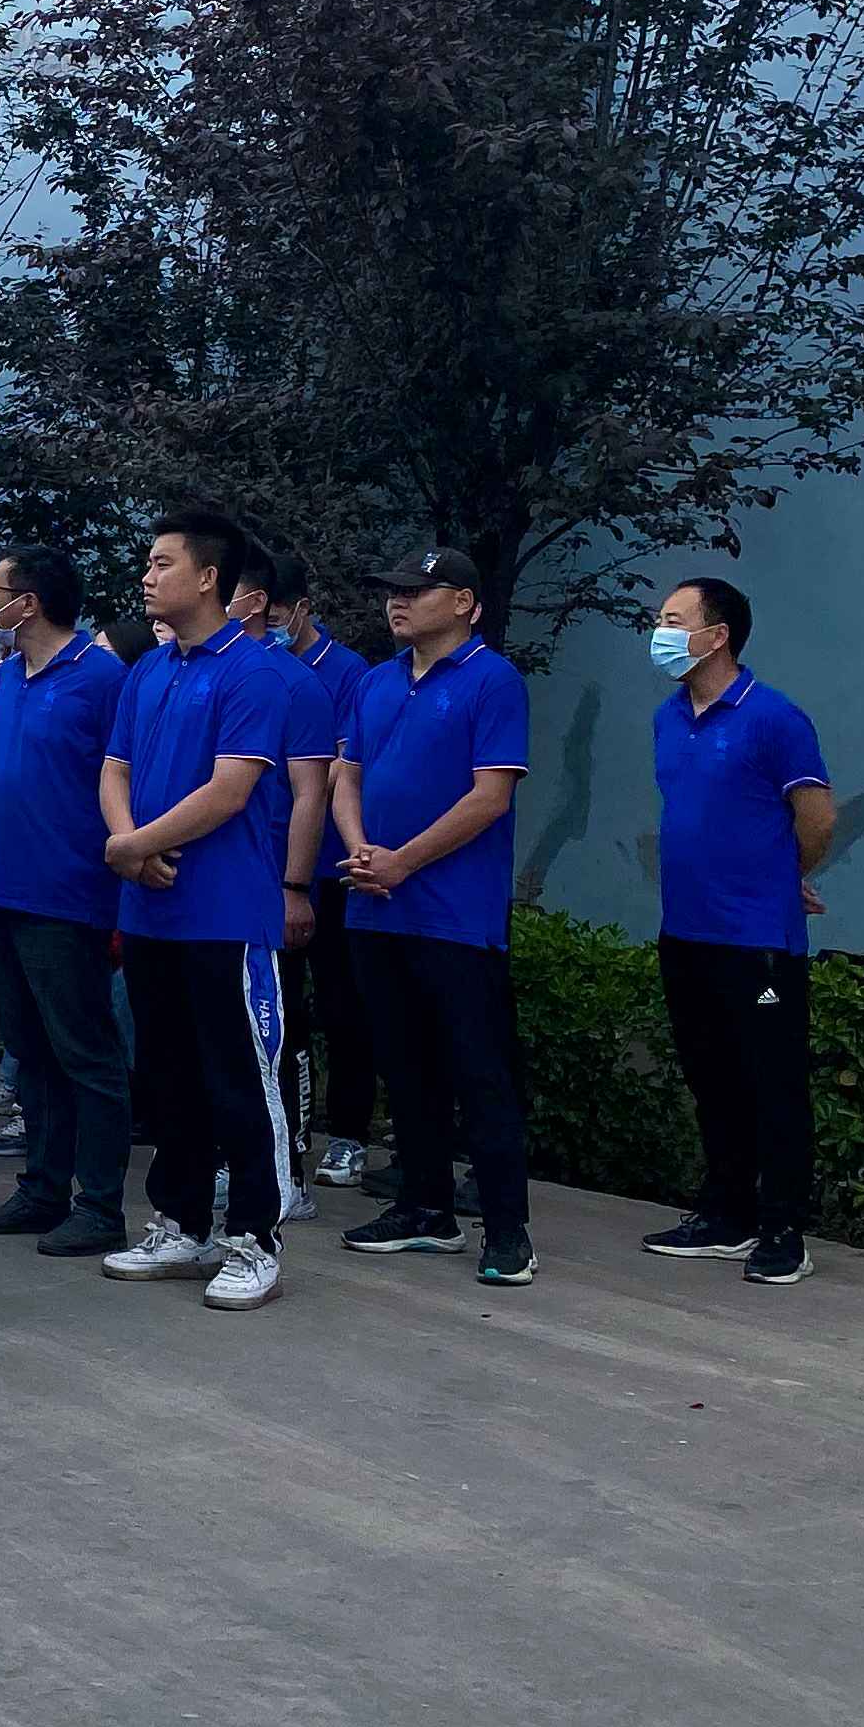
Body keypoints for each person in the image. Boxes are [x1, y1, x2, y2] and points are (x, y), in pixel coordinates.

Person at [97, 507, 298, 1309]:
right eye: (148, 564)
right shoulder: (148, 669)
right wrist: (128, 845)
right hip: (150, 911)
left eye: (162, 563)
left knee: (239, 1080)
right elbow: (114, 768)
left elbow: (230, 790)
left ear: (210, 577)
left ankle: (255, 1238)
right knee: (167, 1075)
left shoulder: (252, 672)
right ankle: (181, 1224)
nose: (147, 577)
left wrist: (134, 845)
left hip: (225, 914)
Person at [331, 547, 536, 1285]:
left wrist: (404, 861)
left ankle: (507, 1231)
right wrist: (359, 849)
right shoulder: (376, 680)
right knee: (404, 1066)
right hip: (376, 908)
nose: (400, 601)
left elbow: (491, 796)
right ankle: (424, 1207)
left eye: (419, 590)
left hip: (454, 916)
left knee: (477, 1072)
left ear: (465, 603)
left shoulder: (492, 680)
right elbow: (346, 774)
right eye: (394, 591)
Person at [640, 574, 836, 1288]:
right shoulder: (668, 717)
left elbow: (818, 819)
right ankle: (727, 1214)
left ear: (717, 635)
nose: (659, 633)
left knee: (771, 1084)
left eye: (674, 620)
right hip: (686, 929)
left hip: (757, 940)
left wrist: (780, 876)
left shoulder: (774, 718)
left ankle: (783, 1230)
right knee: (711, 1078)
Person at [0, 546, 133, 1257]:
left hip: (67, 894)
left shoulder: (102, 678)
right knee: (29, 1048)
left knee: (84, 1051)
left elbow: (125, 777)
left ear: (29, 602)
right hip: (0, 885)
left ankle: (99, 1204)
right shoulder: (8, 677)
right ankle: (43, 1189)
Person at [249, 554, 378, 1189]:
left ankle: (348, 1134)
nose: (268, 624)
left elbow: (333, 774)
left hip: (326, 871)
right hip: (262, 865)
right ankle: (275, 1145)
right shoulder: (249, 668)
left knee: (341, 1004)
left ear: (302, 608)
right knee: (278, 1010)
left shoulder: (345, 673)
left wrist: (299, 878)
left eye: (276, 613)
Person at [225, 548, 337, 1223]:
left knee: (275, 1030)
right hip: (211, 889)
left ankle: (286, 1171)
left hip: (268, 885)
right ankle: (231, 1161)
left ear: (258, 602)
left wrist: (295, 886)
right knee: (220, 1037)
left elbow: (310, 793)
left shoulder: (296, 684)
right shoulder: (203, 672)